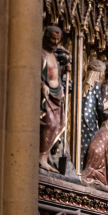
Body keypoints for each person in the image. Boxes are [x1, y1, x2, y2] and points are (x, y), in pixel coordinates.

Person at [40, 26, 71, 172]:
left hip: (57, 94)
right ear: (46, 37)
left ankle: (45, 158)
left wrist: (65, 71)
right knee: (50, 123)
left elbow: (56, 75)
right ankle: (41, 158)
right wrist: (41, 84)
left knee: (60, 123)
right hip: (46, 95)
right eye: (52, 38)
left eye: (58, 39)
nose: (55, 42)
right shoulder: (41, 54)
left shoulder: (54, 56)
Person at [79, 58, 106, 170]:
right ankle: (86, 169)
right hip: (90, 120)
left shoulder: (85, 85)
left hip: (82, 119)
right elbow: (100, 105)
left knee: (82, 146)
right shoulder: (95, 85)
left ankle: (79, 167)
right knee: (90, 146)